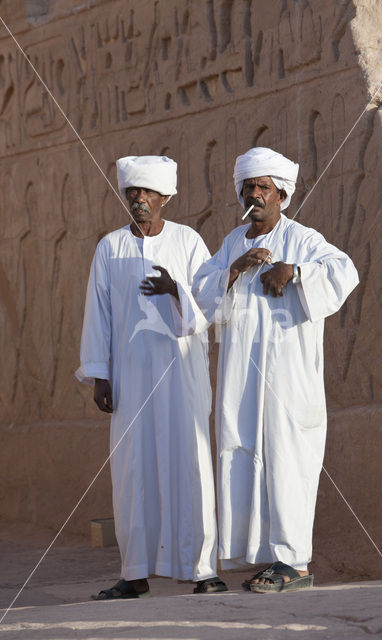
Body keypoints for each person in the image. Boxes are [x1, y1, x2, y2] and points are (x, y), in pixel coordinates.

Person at [193, 147, 359, 593]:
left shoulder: (303, 238)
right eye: (249, 187)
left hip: (288, 376)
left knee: (289, 458)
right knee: (243, 453)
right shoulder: (232, 241)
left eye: (264, 188)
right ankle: (268, 557)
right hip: (242, 376)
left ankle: (295, 562)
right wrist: (235, 268)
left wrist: (295, 271)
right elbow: (200, 290)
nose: (255, 195)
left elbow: (345, 270)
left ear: (281, 195)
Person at [76, 155, 227, 599]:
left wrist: (173, 291)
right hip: (131, 377)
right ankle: (134, 571)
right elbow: (97, 314)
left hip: (181, 373)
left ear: (166, 197)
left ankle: (202, 569)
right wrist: (100, 376)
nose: (139, 200)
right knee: (132, 468)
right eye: (132, 193)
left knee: (191, 462)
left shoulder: (188, 241)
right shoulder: (110, 248)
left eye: (147, 193)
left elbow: (208, 306)